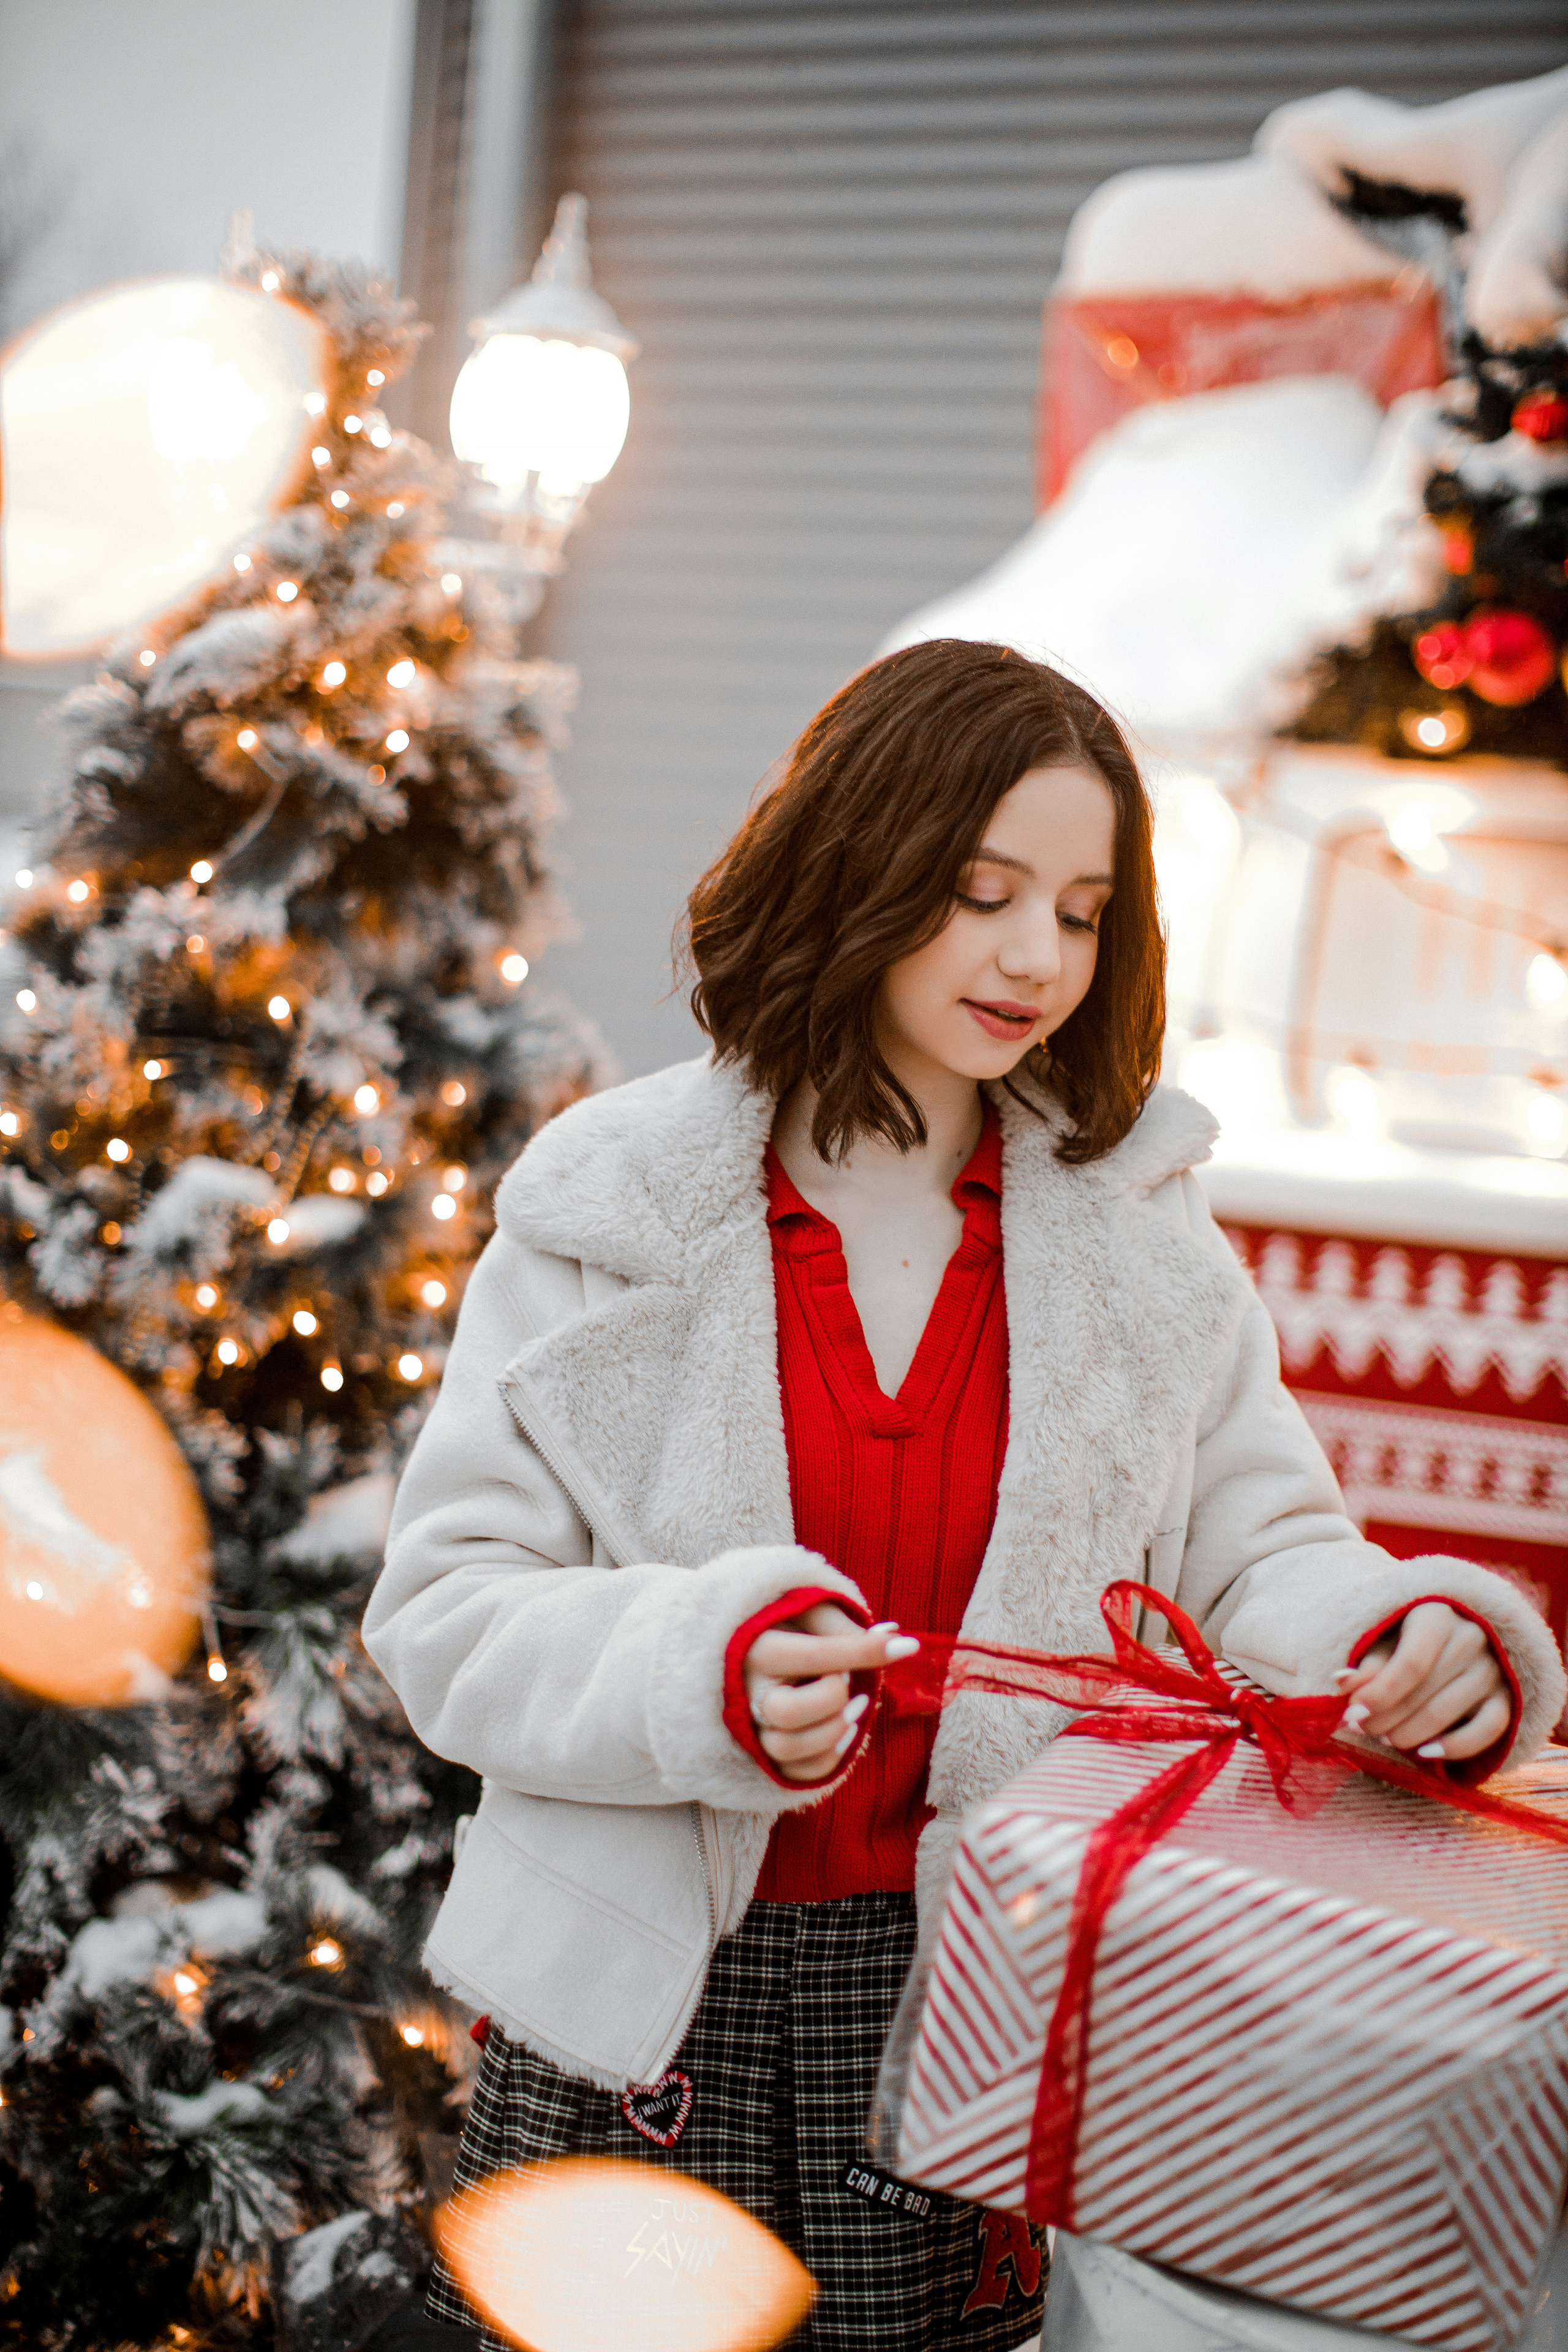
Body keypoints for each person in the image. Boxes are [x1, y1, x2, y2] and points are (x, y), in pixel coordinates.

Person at [364, 639, 1564, 2352]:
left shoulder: (1145, 1242)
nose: (1032, 957)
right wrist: (690, 1670)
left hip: (966, 2008)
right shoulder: (610, 1207)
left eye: (1079, 912)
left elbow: (1266, 1553)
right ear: (857, 860)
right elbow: (447, 1614)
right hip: (634, 2010)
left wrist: (1408, 1632)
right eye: (980, 890)